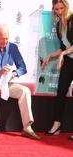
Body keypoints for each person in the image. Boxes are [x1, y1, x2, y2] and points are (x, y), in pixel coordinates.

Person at [0, 23, 40, 140]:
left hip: (6, 83)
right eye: (2, 39)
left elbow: (22, 67)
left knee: (25, 91)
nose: (5, 41)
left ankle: (27, 127)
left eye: (7, 38)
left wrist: (14, 73)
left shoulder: (12, 47)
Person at [41, 0, 73, 139]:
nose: (59, 11)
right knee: (60, 92)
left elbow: (65, 51)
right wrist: (50, 55)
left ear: (66, 6)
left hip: (67, 57)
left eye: (61, 8)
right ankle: (57, 124)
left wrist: (62, 55)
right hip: (70, 60)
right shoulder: (60, 24)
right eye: (56, 9)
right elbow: (63, 47)